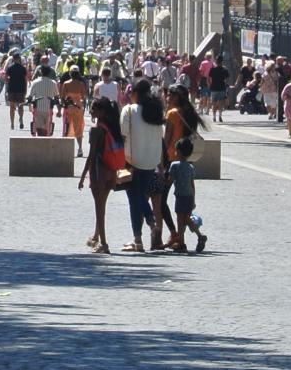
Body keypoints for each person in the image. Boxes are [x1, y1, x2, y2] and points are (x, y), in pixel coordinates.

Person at [119, 78, 164, 253]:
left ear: (135, 93)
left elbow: (123, 136)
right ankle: (141, 235)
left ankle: (143, 233)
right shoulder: (155, 112)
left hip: (132, 160)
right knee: (140, 196)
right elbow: (159, 139)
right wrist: (160, 165)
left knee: (134, 198)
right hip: (151, 162)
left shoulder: (129, 111)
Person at [80, 98, 124, 254]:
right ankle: (96, 236)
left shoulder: (96, 130)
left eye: (93, 109)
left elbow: (91, 155)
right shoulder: (112, 128)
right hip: (111, 171)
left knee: (99, 209)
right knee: (102, 206)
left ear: (101, 112)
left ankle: (104, 244)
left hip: (99, 172)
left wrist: (83, 175)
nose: (91, 111)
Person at [166, 137, 207, 254]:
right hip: (189, 196)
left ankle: (181, 243)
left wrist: (161, 179)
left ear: (178, 151)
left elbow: (170, 181)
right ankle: (200, 235)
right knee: (187, 219)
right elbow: (192, 185)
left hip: (180, 197)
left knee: (180, 220)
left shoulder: (174, 165)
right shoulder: (190, 167)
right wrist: (193, 200)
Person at [60, 65, 89, 155]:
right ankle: (80, 148)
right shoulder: (81, 84)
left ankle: (65, 149)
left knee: (66, 127)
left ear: (70, 74)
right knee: (79, 128)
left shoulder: (66, 83)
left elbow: (62, 97)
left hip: (68, 107)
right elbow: (84, 97)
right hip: (78, 108)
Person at [28, 63, 59, 137]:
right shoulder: (53, 83)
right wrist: (59, 109)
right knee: (47, 129)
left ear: (41, 72)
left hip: (38, 109)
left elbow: (30, 97)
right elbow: (56, 97)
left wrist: (30, 107)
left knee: (38, 128)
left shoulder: (35, 82)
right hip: (49, 109)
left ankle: (40, 140)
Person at [5, 51, 28, 131]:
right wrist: (25, 89)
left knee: (12, 107)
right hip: (21, 89)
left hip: (12, 88)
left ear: (13, 59)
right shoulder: (23, 68)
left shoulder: (10, 68)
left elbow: (6, 78)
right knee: (20, 106)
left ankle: (12, 124)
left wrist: (8, 82)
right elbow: (26, 80)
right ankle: (21, 118)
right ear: (19, 59)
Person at [207, 56, 228, 122]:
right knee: (221, 103)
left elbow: (209, 78)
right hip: (222, 88)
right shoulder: (224, 69)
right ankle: (220, 116)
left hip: (213, 88)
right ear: (222, 62)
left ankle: (214, 117)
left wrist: (209, 85)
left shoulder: (212, 69)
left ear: (216, 62)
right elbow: (226, 78)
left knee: (214, 103)